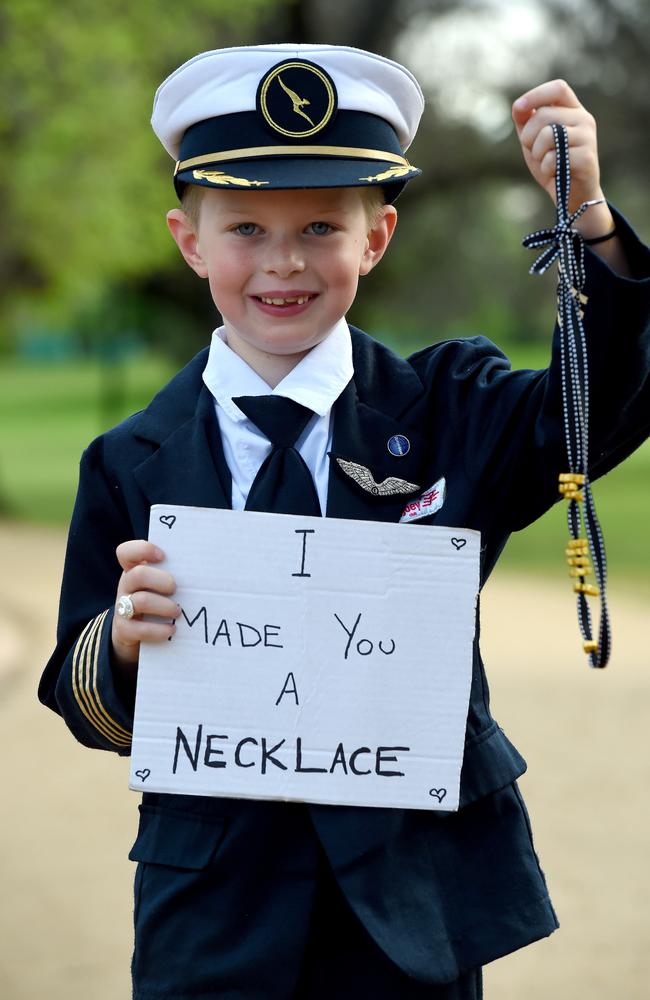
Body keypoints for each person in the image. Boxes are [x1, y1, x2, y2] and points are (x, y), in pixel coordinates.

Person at [39, 43, 650, 999]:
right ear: (190, 241)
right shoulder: (128, 458)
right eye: (245, 226)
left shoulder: (452, 407)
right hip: (211, 916)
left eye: (322, 225)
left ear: (377, 238)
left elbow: (599, 404)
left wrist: (590, 220)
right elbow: (80, 699)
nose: (284, 262)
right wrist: (120, 643)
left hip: (412, 903)